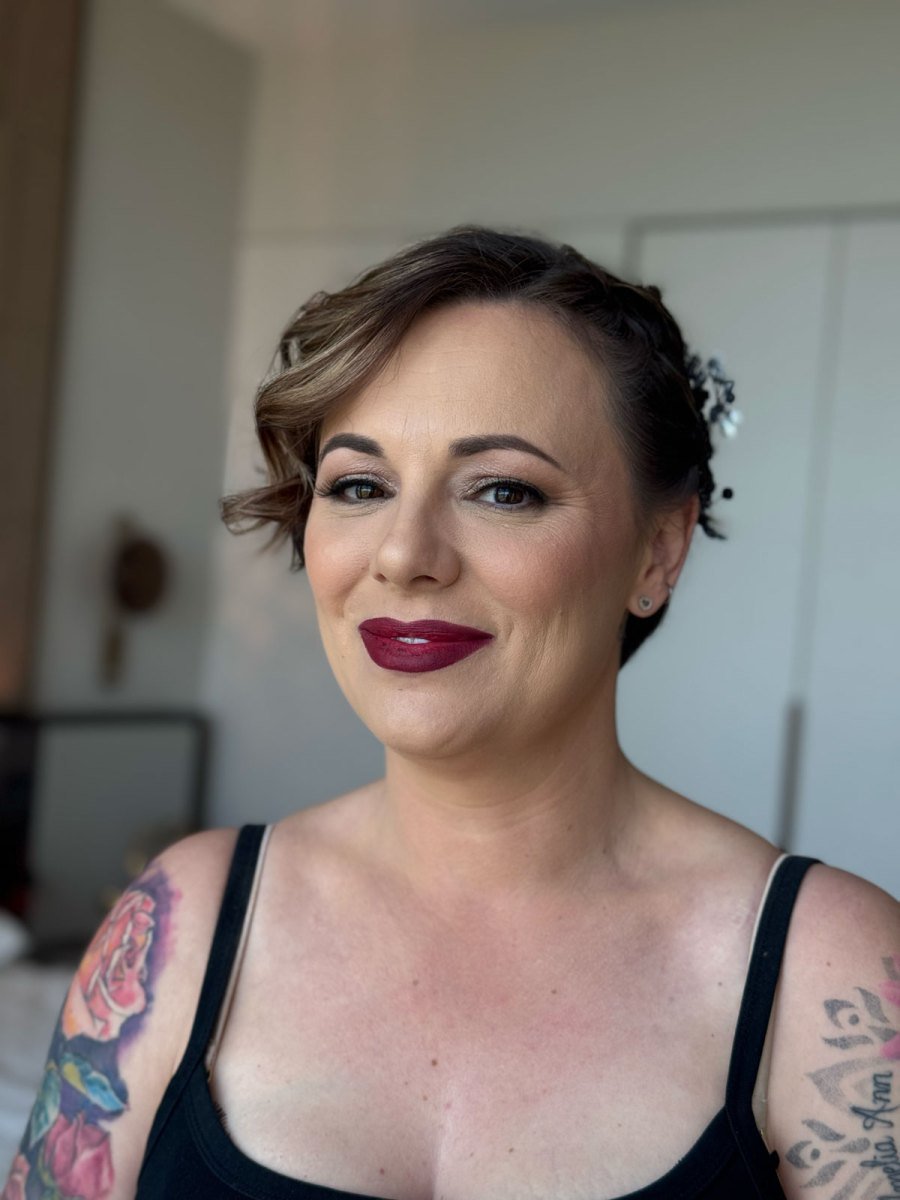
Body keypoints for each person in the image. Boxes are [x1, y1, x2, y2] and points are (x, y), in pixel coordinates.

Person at [4, 227, 898, 1200]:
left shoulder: (832, 970)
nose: (404, 554)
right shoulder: (181, 922)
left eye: (503, 491)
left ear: (657, 552)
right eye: (360, 485)